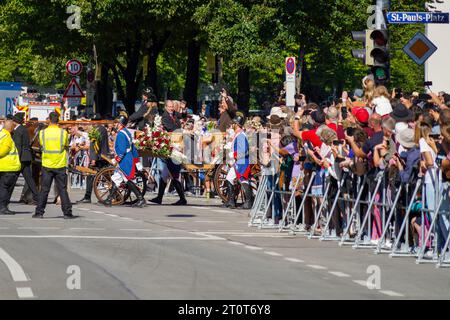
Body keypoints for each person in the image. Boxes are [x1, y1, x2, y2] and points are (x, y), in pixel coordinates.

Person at [33, 112, 74, 219]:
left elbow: (41, 145)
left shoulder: (42, 133)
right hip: (59, 164)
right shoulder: (63, 133)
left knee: (44, 190)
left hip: (47, 164)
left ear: (49, 120)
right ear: (58, 120)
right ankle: (67, 213)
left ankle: (39, 212)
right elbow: (65, 145)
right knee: (62, 189)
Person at [150, 100, 187, 206]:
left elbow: (183, 116)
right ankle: (160, 197)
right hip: (171, 145)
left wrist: (183, 109)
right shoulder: (165, 117)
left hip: (176, 145)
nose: (171, 108)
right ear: (166, 107)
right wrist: (181, 130)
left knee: (169, 173)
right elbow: (171, 128)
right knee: (167, 173)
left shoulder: (174, 114)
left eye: (172, 107)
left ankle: (180, 199)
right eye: (169, 107)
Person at [104, 115, 145, 208]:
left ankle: (140, 199)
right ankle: (109, 199)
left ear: (120, 124)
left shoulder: (121, 134)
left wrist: (116, 160)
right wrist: (136, 160)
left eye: (116, 123)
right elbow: (133, 148)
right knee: (119, 178)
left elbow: (122, 151)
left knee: (124, 179)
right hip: (127, 158)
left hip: (125, 160)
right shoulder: (126, 132)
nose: (115, 124)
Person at [77, 121, 110, 204]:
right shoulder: (102, 129)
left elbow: (94, 145)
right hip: (103, 155)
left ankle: (87, 197)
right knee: (107, 178)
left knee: (91, 176)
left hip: (99, 158)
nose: (85, 127)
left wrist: (93, 159)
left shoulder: (96, 131)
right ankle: (114, 195)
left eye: (86, 125)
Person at [11, 113, 39, 205]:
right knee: (30, 180)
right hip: (26, 158)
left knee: (12, 179)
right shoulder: (23, 129)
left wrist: (15, 159)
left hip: (21, 159)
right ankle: (37, 197)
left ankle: (4, 198)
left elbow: (18, 146)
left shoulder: (18, 131)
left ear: (14, 122)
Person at [0, 118, 22, 215]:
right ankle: (3, 208)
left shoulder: (1, 134)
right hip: (8, 167)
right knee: (5, 188)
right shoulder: (7, 137)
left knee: (2, 188)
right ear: (11, 128)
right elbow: (3, 150)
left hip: (3, 166)